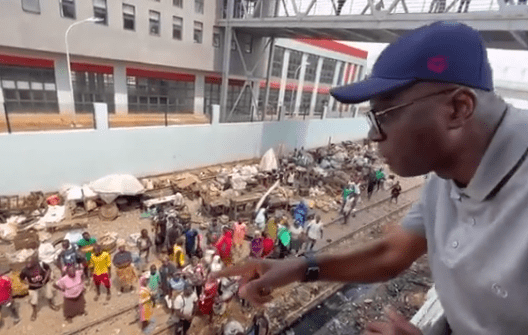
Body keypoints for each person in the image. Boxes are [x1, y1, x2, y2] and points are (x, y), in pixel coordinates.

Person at [215, 21, 528, 334]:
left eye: (384, 115)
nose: (371, 135)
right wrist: (300, 267)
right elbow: (393, 252)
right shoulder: (444, 177)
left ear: (458, 109)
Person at [19, 256, 59, 321]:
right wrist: (32, 284)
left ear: (33, 262)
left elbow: (48, 270)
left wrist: (45, 278)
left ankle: (51, 304)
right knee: (34, 300)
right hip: (33, 287)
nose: (28, 265)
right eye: (27, 263)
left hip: (44, 283)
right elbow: (22, 280)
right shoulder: (24, 270)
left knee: (49, 295)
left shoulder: (41, 264)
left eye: (29, 263)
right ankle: (34, 311)